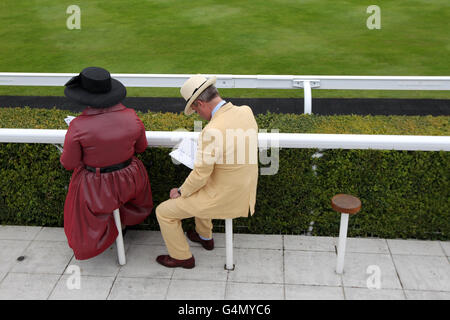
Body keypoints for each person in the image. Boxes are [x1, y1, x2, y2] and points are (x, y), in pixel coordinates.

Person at [155, 75, 258, 269]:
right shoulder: (246, 111)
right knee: (200, 188)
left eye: (195, 110)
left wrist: (180, 191)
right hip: (244, 190)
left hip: (225, 196)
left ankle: (182, 258)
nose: (197, 115)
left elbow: (200, 175)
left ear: (200, 104)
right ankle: (205, 237)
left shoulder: (212, 130)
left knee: (163, 212)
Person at [61, 66, 153, 260]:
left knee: (77, 189)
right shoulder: (132, 116)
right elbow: (141, 147)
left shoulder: (77, 126)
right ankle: (121, 224)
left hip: (98, 188)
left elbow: (69, 163)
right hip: (132, 180)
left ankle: (99, 235)